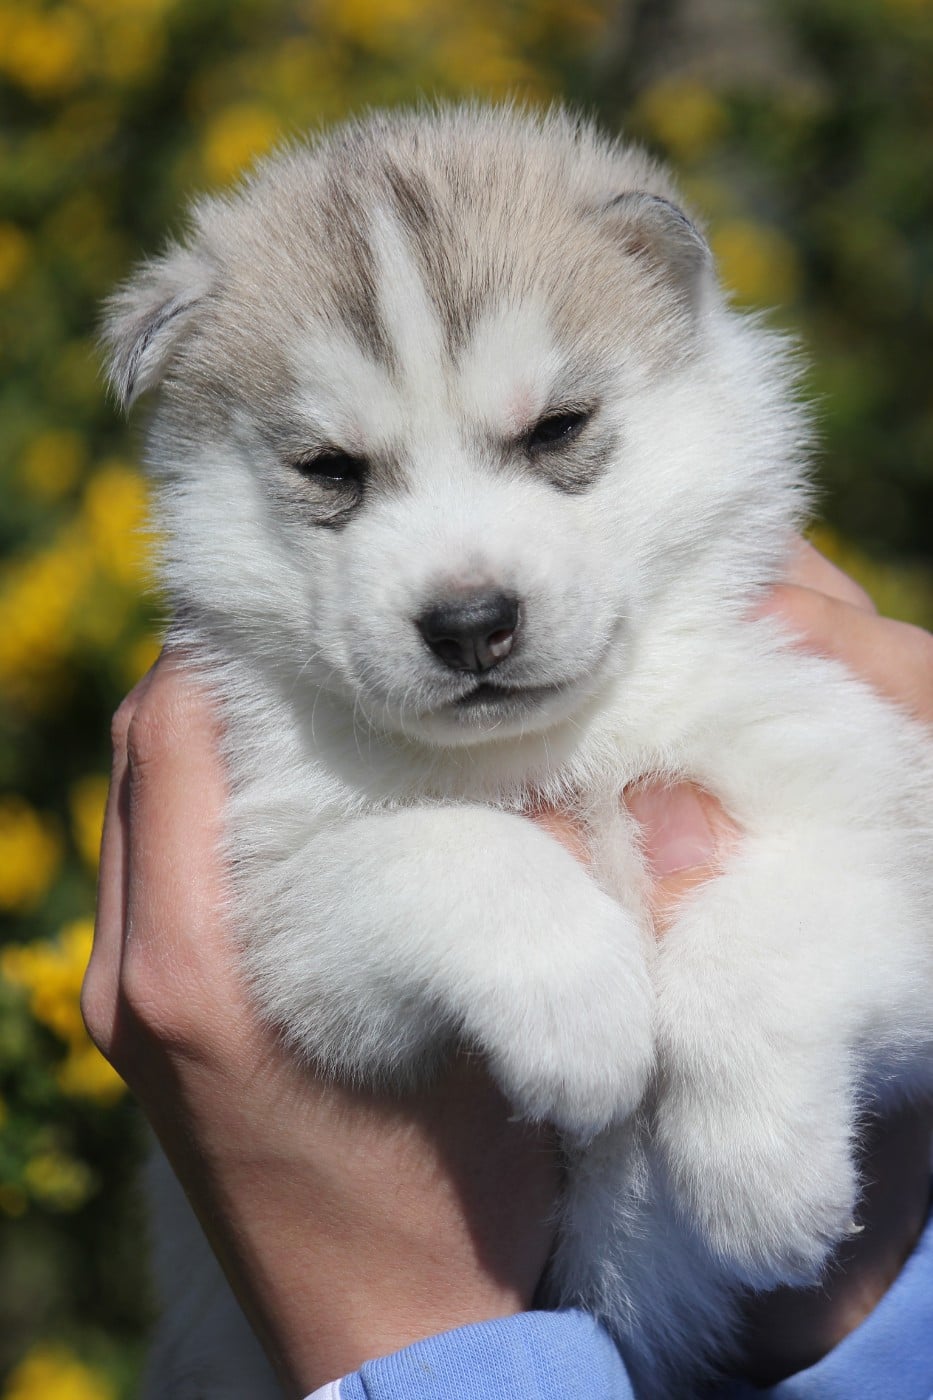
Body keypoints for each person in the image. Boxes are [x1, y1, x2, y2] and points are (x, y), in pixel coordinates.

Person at [83, 542, 933, 1400]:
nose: (468, 600)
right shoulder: (265, 697)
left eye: (556, 435)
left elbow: (872, 900)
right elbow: (302, 960)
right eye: (335, 473)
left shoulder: (756, 631)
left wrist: (759, 1025)